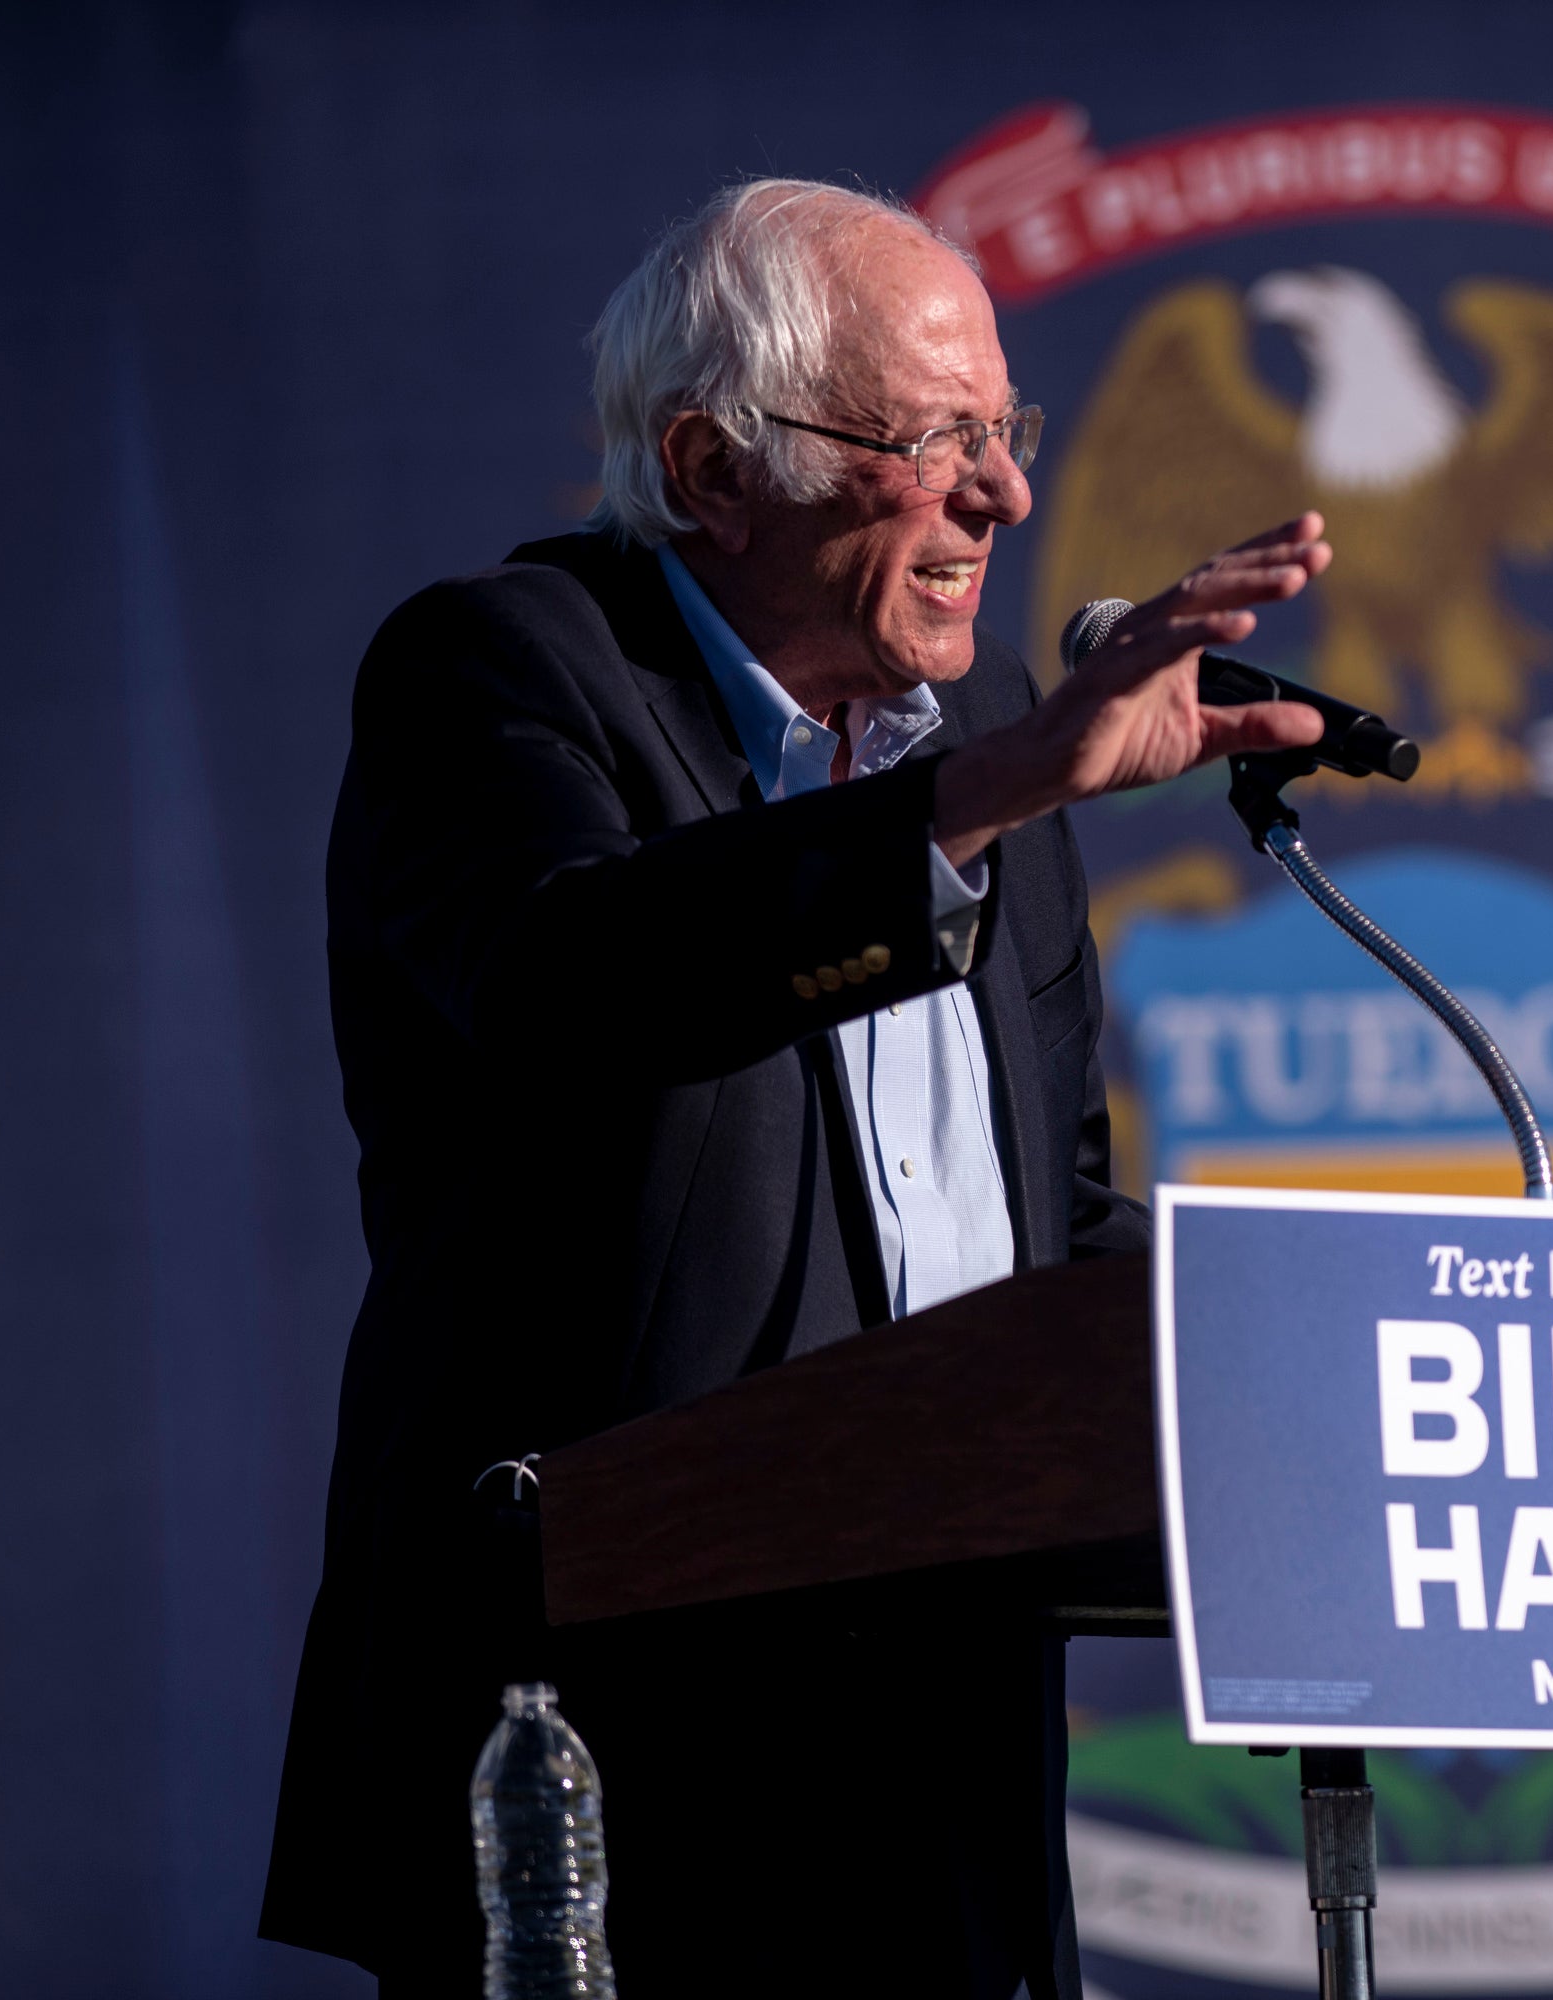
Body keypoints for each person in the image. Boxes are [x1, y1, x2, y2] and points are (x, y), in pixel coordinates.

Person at [259, 177, 1329, 1997]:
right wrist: (976, 802)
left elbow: (1045, 1236)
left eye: (1006, 430)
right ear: (709, 466)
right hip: (602, 1779)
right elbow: (569, 978)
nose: (1001, 493)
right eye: (933, 439)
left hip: (943, 1771)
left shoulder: (981, 762)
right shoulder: (506, 672)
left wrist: (1319, 1362)